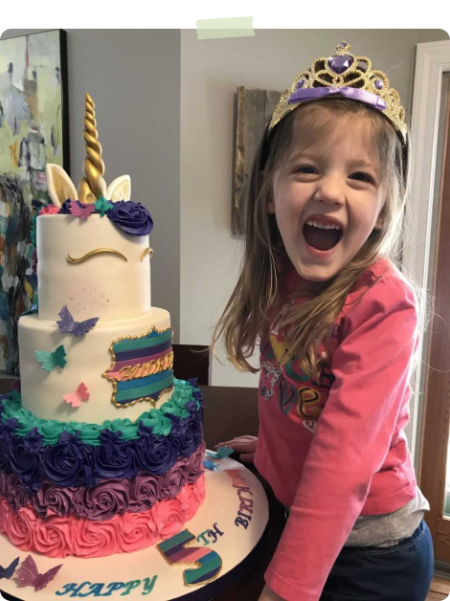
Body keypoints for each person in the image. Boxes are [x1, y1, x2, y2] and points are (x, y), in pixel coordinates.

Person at [212, 41, 435, 601]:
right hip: (297, 513)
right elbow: (293, 395)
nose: (330, 191)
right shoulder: (285, 278)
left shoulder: (385, 305)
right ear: (269, 193)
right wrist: (271, 449)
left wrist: (287, 589)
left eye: (360, 177)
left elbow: (341, 468)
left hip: (371, 555)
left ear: (384, 207)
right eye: (307, 168)